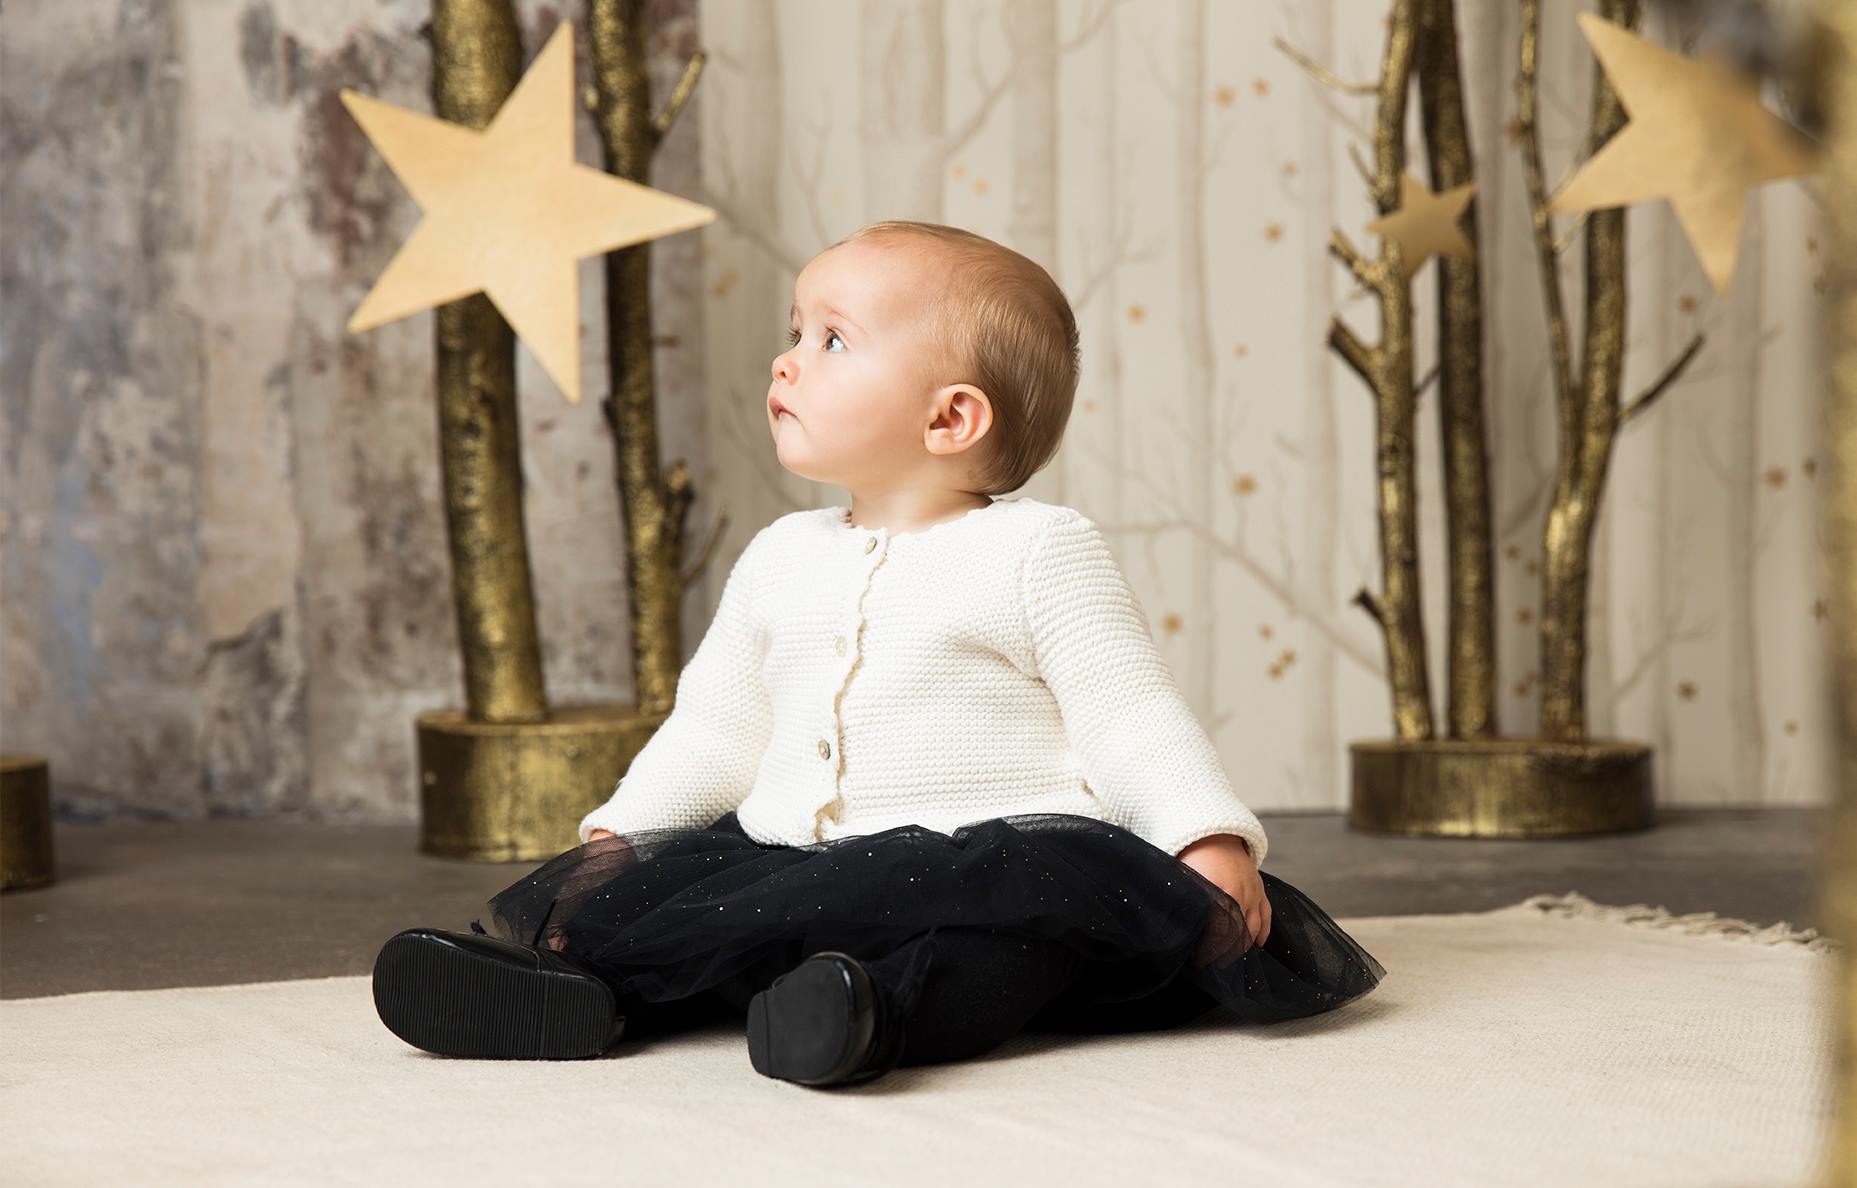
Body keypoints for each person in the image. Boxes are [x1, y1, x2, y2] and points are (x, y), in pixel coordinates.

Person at [371, 220, 1386, 1087]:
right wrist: (621, 838)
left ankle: (864, 1019)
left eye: (832, 340)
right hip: (792, 862)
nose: (787, 360)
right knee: (665, 912)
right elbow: (718, 728)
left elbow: (1129, 715)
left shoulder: (1037, 552)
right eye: (794, 333)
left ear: (951, 416)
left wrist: (1207, 839)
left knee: (1000, 955)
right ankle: (583, 997)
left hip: (995, 864)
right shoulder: (779, 557)